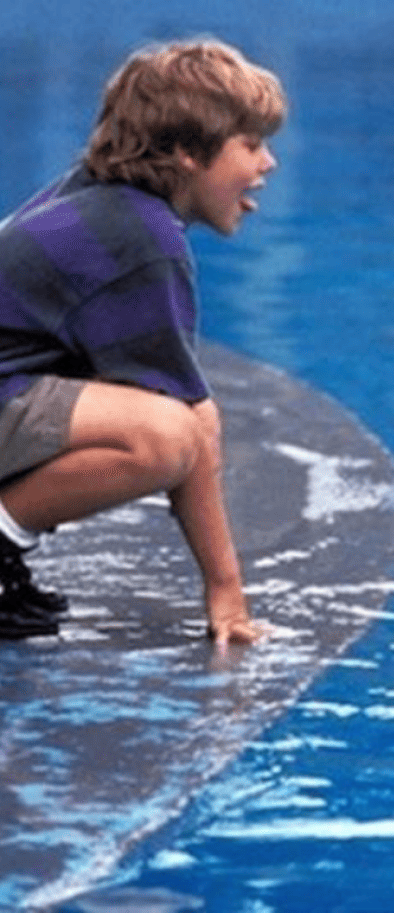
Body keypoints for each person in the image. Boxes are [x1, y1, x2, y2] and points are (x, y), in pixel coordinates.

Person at [0, 38, 286, 646]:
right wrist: (226, 591)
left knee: (158, 422)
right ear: (186, 153)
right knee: (165, 435)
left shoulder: (99, 196)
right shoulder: (142, 237)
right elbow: (193, 427)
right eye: (253, 145)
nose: (269, 164)